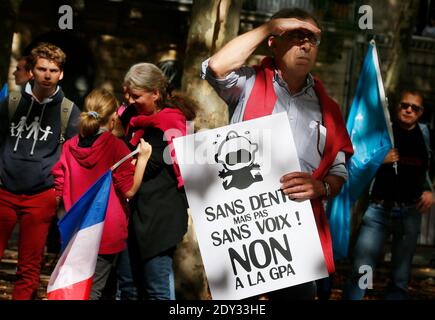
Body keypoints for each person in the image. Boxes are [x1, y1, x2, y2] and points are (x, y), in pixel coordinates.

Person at [201, 7, 353, 299]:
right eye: (296, 36)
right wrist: (270, 25)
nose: (305, 45)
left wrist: (320, 187)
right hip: (242, 231)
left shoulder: (330, 109)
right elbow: (217, 67)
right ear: (274, 42)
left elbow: (338, 172)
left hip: (297, 235)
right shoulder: (247, 83)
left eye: (311, 39)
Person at [51, 88, 152, 300]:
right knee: (94, 291)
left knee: (75, 288)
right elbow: (129, 190)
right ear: (114, 118)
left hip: (76, 228)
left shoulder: (69, 146)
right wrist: (142, 159)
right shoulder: (116, 147)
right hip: (104, 230)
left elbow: (58, 187)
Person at [0, 42, 80, 300]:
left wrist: (59, 193)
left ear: (61, 74)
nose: (47, 75)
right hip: (3, 192)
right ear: (32, 71)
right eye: (42, 69)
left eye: (53, 70)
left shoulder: (68, 110)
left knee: (29, 267)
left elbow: (75, 155)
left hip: (41, 197)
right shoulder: (12, 102)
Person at [343, 89, 434, 300]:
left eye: (415, 108)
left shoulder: (426, 135)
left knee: (400, 275)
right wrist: (379, 160)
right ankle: (356, 297)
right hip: (378, 211)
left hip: (410, 212)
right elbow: (357, 163)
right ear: (397, 107)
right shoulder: (382, 131)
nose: (409, 110)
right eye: (405, 105)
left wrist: (431, 191)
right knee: (363, 267)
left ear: (420, 112)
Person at [121, 62, 197, 300]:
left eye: (136, 96)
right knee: (127, 288)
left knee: (158, 291)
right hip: (132, 218)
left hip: (158, 222)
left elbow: (144, 166)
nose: (130, 101)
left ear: (155, 94)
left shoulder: (170, 125)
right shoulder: (134, 120)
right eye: (127, 95)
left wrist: (127, 160)